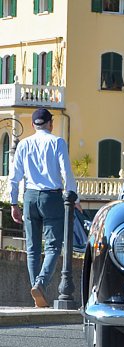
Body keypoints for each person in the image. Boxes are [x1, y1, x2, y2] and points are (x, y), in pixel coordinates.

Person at [8, 108, 81, 308]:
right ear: (50, 123)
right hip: (52, 197)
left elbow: (14, 177)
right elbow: (66, 172)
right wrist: (75, 197)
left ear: (33, 125)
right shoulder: (57, 142)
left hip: (30, 197)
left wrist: (13, 203)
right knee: (53, 246)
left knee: (32, 248)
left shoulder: (23, 144)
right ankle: (41, 284)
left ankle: (36, 292)